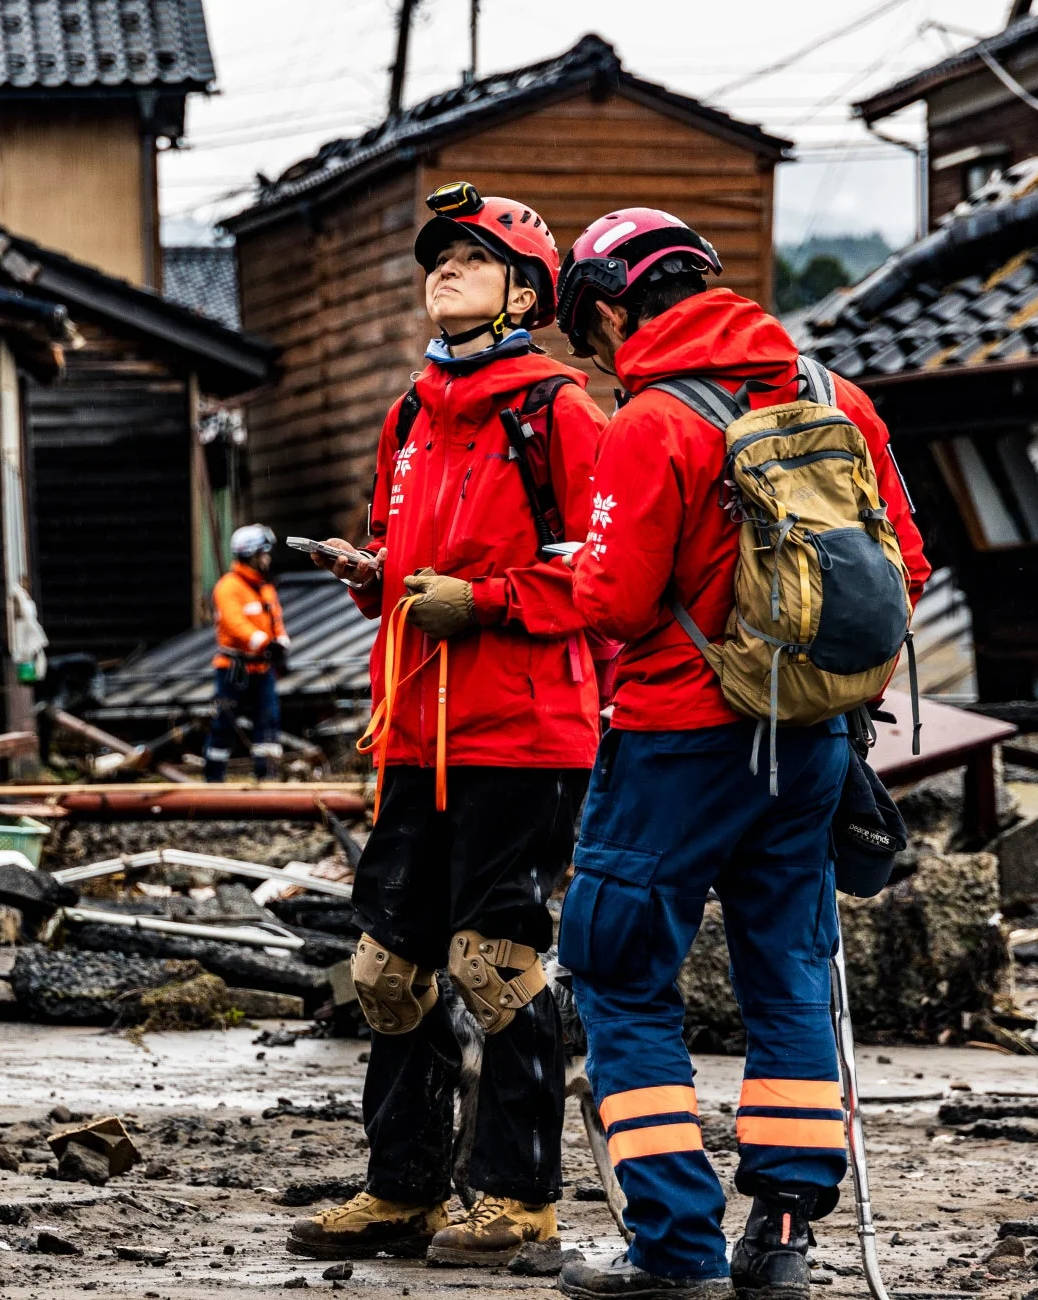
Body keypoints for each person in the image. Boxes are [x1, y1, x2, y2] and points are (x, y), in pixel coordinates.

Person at [538, 210, 930, 1300]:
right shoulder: (834, 395)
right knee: (791, 975)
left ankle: (675, 1247)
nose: (597, 361)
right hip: (812, 744)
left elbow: (615, 603)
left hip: (677, 740)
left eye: (592, 336)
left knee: (619, 971)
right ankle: (784, 1239)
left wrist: (560, 574)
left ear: (615, 306)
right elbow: (910, 570)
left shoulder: (655, 419)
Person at [290, 182, 608, 1268]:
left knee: (495, 965)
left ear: (525, 291)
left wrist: (485, 602)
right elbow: (399, 556)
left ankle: (516, 1197)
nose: (443, 271)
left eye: (469, 258)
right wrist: (371, 573)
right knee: (388, 970)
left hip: (522, 735)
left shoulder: (562, 412)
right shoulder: (411, 415)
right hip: (412, 732)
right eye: (438, 258)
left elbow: (607, 583)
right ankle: (404, 1187)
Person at [205, 524, 288, 782]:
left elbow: (275, 620)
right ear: (252, 555)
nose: (268, 558)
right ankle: (214, 781)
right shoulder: (228, 587)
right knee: (225, 723)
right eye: (264, 553)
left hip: (262, 670)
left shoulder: (265, 588)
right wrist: (265, 642)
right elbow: (234, 623)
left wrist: (282, 643)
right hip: (233, 671)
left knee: (269, 721)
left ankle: (267, 777)